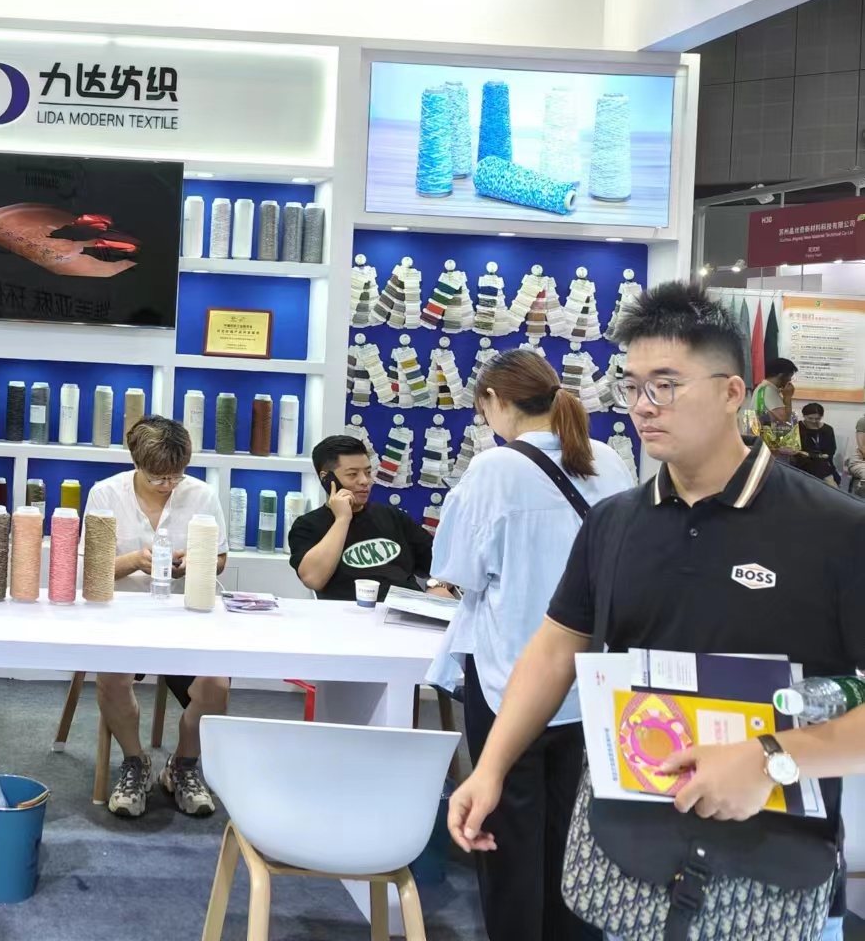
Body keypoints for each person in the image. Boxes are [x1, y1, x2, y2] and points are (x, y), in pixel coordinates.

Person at [449, 282, 865, 941]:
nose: (644, 405)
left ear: (732, 392)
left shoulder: (835, 530)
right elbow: (556, 647)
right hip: (631, 868)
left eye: (666, 385)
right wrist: (492, 766)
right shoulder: (615, 523)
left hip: (776, 879)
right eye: (633, 385)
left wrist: (771, 759)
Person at [428, 349, 633, 941]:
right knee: (576, 839)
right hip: (591, 682)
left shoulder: (493, 468)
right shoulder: (608, 461)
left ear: (494, 402)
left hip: (510, 680)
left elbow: (457, 569)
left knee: (507, 839)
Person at [83, 415, 229, 819]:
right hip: (122, 614)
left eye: (176, 477)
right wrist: (134, 560)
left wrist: (192, 564)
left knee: (217, 684)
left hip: (187, 613)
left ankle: (182, 766)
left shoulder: (202, 495)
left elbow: (219, 559)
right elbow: (90, 570)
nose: (168, 485)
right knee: (112, 678)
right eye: (158, 478)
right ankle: (135, 762)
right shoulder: (105, 494)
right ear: (136, 462)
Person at [288, 434, 435, 601]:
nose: (365, 481)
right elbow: (313, 579)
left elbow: (442, 564)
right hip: (349, 613)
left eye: (368, 472)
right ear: (327, 478)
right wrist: (342, 519)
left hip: (407, 608)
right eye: (352, 474)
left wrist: (439, 585)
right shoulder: (307, 526)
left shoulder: (393, 516)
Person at [748, 355, 800, 460]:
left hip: (763, 445)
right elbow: (784, 419)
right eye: (789, 376)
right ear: (781, 375)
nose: (790, 380)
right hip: (771, 448)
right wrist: (788, 397)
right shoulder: (768, 391)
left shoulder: (762, 389)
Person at [794, 402, 839, 484]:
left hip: (822, 462)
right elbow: (794, 448)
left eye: (817, 419)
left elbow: (831, 449)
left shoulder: (827, 429)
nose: (813, 421)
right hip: (801, 461)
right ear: (804, 416)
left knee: (822, 467)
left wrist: (820, 456)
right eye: (810, 418)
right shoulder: (797, 427)